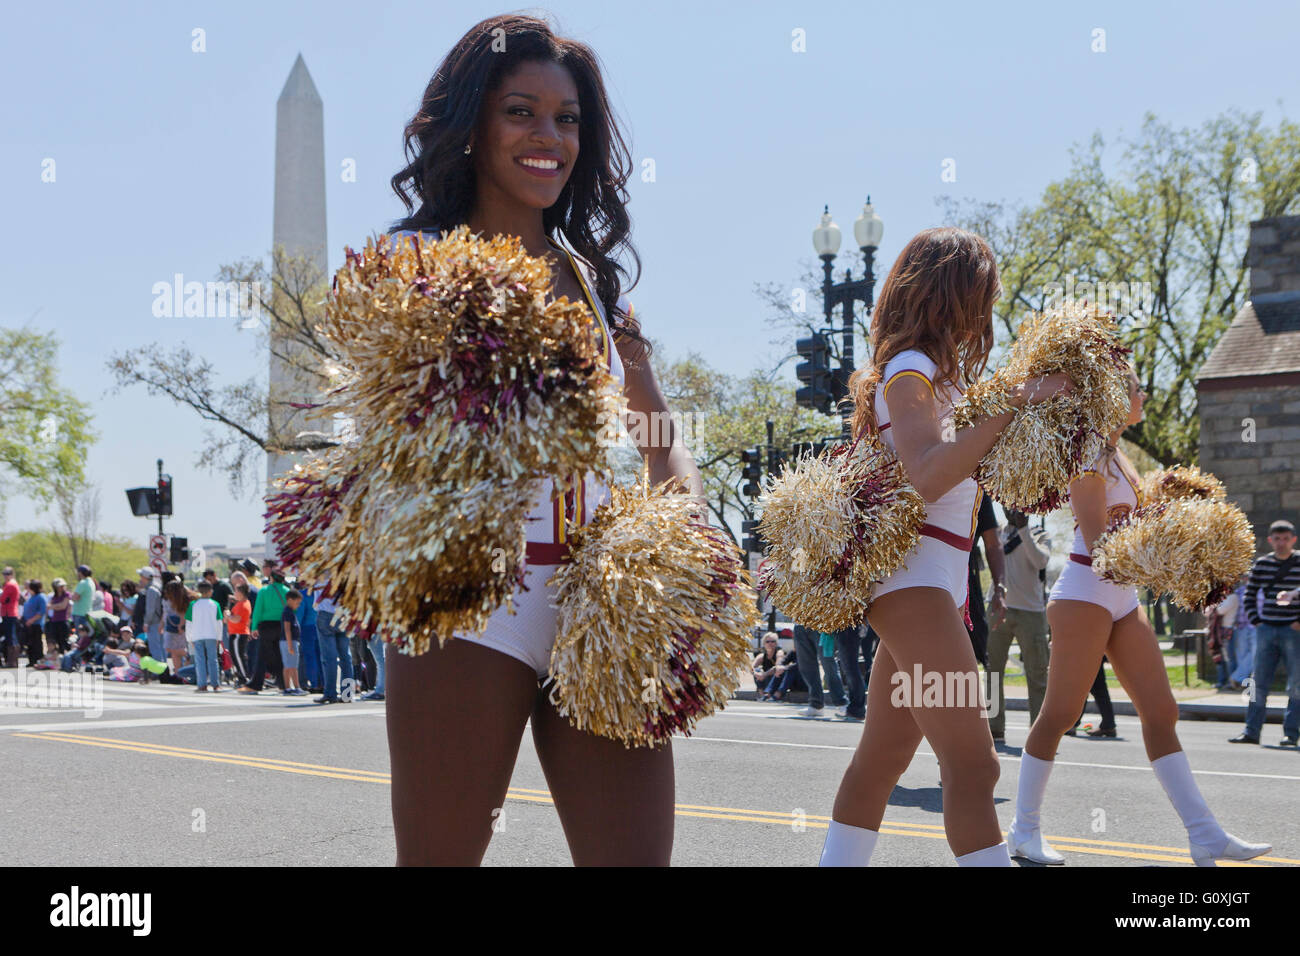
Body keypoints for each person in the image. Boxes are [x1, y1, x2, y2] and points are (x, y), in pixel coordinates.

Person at [383, 15, 704, 866]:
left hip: (603, 604)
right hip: (468, 598)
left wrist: (685, 529)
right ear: (471, 122)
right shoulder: (411, 262)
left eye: (567, 120)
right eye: (521, 111)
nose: (548, 137)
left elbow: (658, 430)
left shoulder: (598, 288)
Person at [820, 226, 1076, 868]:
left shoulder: (941, 378)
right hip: (911, 586)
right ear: (950, 294)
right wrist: (1016, 403)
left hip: (932, 587)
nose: (985, 311)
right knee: (974, 762)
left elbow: (960, 474)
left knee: (880, 760)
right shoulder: (910, 371)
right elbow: (927, 471)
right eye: (981, 294)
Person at [1009, 369, 1269, 866]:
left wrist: (1185, 517)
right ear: (1112, 399)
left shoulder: (1120, 457)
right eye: (1134, 389)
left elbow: (1137, 526)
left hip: (1122, 599)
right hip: (1086, 591)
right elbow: (1104, 545)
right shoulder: (1086, 455)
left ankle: (1204, 834)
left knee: (1162, 711)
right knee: (1061, 715)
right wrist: (1167, 544)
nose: (1143, 394)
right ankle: (1023, 830)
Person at [1230, 519, 1300, 747]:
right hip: (1266, 629)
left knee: (1296, 683)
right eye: (1277, 539)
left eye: (1285, 539)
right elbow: (1249, 595)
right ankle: (1251, 730)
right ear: (1270, 540)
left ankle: (1291, 733)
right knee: (1257, 682)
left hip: (1293, 630)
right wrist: (1256, 621)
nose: (1281, 543)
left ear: (1293, 540)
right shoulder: (1262, 564)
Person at [985, 510, 1052, 742]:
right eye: (1008, 506)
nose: (1012, 510)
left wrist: (1024, 530)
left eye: (1018, 506)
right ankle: (994, 727)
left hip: (1031, 612)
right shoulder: (998, 532)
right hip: (997, 608)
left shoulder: (1039, 534)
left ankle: (1039, 729)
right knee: (993, 672)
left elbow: (1040, 560)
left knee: (1037, 673)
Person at [965, 496, 1005, 668]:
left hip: (964, 580)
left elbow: (993, 544)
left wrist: (1000, 589)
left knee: (967, 653)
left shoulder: (978, 488)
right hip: (918, 573)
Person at [239, 561, 288, 694]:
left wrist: (254, 627)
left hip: (266, 625)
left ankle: (255, 684)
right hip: (282, 625)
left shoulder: (264, 590)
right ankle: (283, 683)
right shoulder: (287, 591)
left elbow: (258, 611)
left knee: (261, 656)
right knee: (279, 655)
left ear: (271, 578)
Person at [313, 585, 353, 704]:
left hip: (326, 613)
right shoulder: (344, 570)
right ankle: (347, 694)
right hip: (344, 614)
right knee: (345, 657)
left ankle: (330, 693)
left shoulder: (319, 571)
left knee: (329, 658)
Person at [794, 622, 841, 718]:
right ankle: (816, 704)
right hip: (799, 621)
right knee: (806, 666)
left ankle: (841, 702)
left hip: (820, 621)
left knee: (828, 663)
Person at [186, 580, 224, 692]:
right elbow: (219, 623)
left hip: (197, 635)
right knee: (213, 660)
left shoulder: (193, 605)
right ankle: (215, 684)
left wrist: (189, 638)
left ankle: (202, 684)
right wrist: (219, 638)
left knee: (200, 660)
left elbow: (189, 623)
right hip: (212, 635)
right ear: (210, 591)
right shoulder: (215, 604)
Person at [279, 589, 306, 696]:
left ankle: (288, 687)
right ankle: (296, 687)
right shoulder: (287, 612)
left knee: (289, 665)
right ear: (290, 600)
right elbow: (287, 629)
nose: (298, 606)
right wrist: (290, 644)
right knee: (293, 666)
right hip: (289, 642)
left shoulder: (289, 612)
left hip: (287, 641)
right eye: (297, 603)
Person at [225, 583, 253, 686]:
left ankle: (244, 677)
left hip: (239, 633)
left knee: (238, 656)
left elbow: (236, 619)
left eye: (236, 591)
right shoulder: (240, 603)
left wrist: (228, 616)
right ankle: (242, 677)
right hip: (236, 633)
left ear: (241, 593)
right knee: (236, 656)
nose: (234, 593)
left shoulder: (243, 604)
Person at [161, 580, 190, 674]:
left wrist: (181, 625)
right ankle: (178, 673)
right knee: (171, 649)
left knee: (177, 649)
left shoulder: (182, 599)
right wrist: (161, 624)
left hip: (180, 627)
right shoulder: (168, 599)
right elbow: (165, 613)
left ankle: (188, 657)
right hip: (170, 626)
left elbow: (183, 613)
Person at [21, 580, 47, 667]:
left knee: (37, 643)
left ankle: (38, 659)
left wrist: (32, 620)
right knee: (29, 643)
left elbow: (42, 611)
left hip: (36, 624)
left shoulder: (40, 597)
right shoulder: (31, 597)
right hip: (28, 624)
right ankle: (31, 660)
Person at [752, 632, 784, 700]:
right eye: (767, 641)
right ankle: (762, 695)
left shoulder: (779, 653)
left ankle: (768, 695)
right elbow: (752, 667)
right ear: (764, 644)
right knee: (757, 670)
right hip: (764, 680)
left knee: (772, 670)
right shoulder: (761, 656)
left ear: (776, 643)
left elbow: (778, 666)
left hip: (775, 680)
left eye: (773, 641)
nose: (770, 643)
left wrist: (764, 674)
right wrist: (756, 673)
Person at [1, 566, 22, 665]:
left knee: (11, 637)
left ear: (12, 574)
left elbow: (3, 599)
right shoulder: (14, 584)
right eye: (4, 574)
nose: (5, 576)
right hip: (10, 612)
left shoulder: (10, 585)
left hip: (9, 613)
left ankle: (12, 661)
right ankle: (13, 661)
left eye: (7, 574)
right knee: (12, 637)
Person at [46, 578, 71, 652]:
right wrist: (57, 606)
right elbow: (48, 606)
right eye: (60, 586)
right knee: (55, 640)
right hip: (54, 620)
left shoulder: (66, 594)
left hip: (63, 620)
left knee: (63, 640)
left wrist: (54, 606)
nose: (61, 588)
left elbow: (63, 606)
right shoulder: (54, 596)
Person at [71, 566, 95, 631]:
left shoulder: (83, 583)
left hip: (79, 613)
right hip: (87, 612)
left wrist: (72, 596)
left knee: (80, 635)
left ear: (80, 573)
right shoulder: (91, 582)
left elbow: (74, 597)